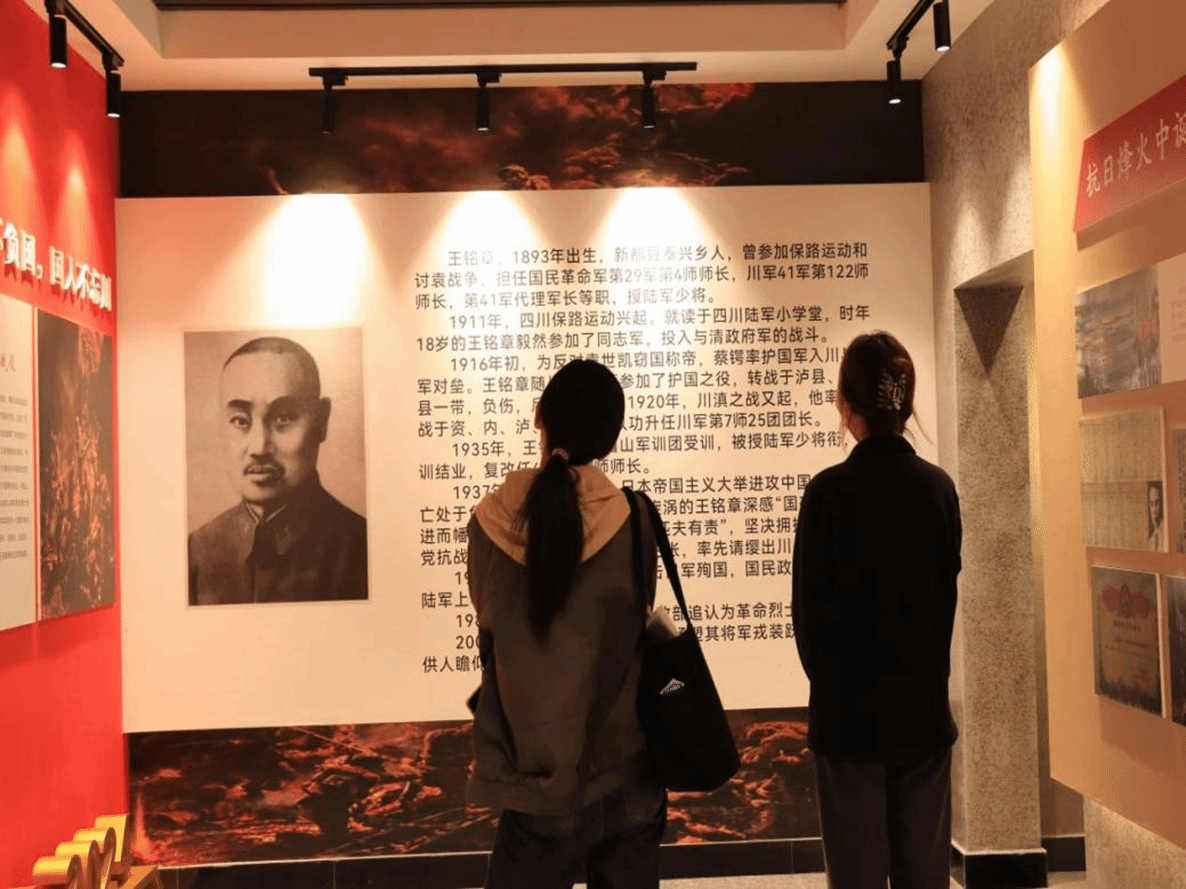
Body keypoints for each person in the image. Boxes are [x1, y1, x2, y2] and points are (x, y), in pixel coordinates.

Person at [466, 359, 665, 889]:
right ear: (611, 439)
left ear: (539, 416)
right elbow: (640, 615)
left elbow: (488, 622)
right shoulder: (634, 519)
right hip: (629, 773)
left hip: (539, 783)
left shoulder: (490, 523)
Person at [791, 331, 962, 889]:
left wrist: (838, 689)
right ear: (905, 405)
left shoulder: (827, 494)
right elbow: (943, 602)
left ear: (846, 405)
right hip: (923, 717)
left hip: (848, 725)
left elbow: (808, 623)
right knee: (926, 878)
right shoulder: (938, 489)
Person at [188, 336, 367, 606]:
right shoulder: (198, 550)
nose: (259, 447)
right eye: (240, 421)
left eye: (283, 418)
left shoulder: (362, 547)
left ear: (321, 421)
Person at [1147, 480, 1166, 552]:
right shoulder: (1150, 540)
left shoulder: (1166, 532)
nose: (1154, 509)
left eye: (1157, 503)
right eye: (1151, 504)